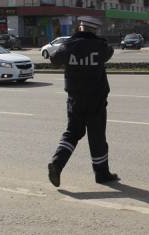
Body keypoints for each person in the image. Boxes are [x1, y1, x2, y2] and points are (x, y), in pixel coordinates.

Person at [48, 16, 119, 187]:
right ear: (94, 30)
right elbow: (109, 52)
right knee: (97, 137)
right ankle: (102, 174)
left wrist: (69, 43)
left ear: (80, 28)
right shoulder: (101, 47)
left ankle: (57, 164)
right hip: (96, 99)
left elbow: (54, 59)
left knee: (72, 133)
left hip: (75, 99)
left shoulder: (69, 46)